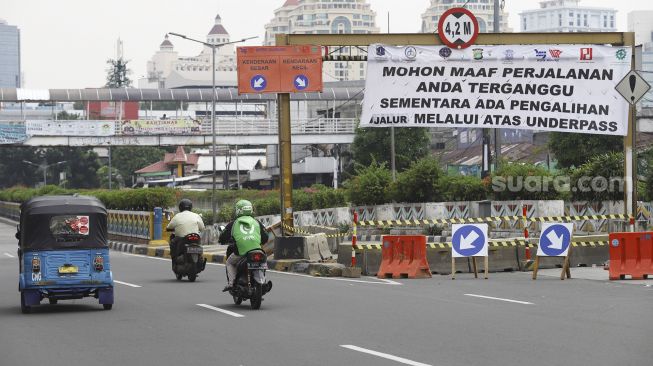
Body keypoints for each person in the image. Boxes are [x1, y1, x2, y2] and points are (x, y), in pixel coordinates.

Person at [219, 200, 268, 292]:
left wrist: (222, 240)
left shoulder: (233, 223)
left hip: (241, 252)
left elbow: (223, 237)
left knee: (229, 263)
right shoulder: (257, 222)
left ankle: (231, 284)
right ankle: (263, 281)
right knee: (263, 262)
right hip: (257, 250)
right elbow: (265, 237)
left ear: (238, 210)